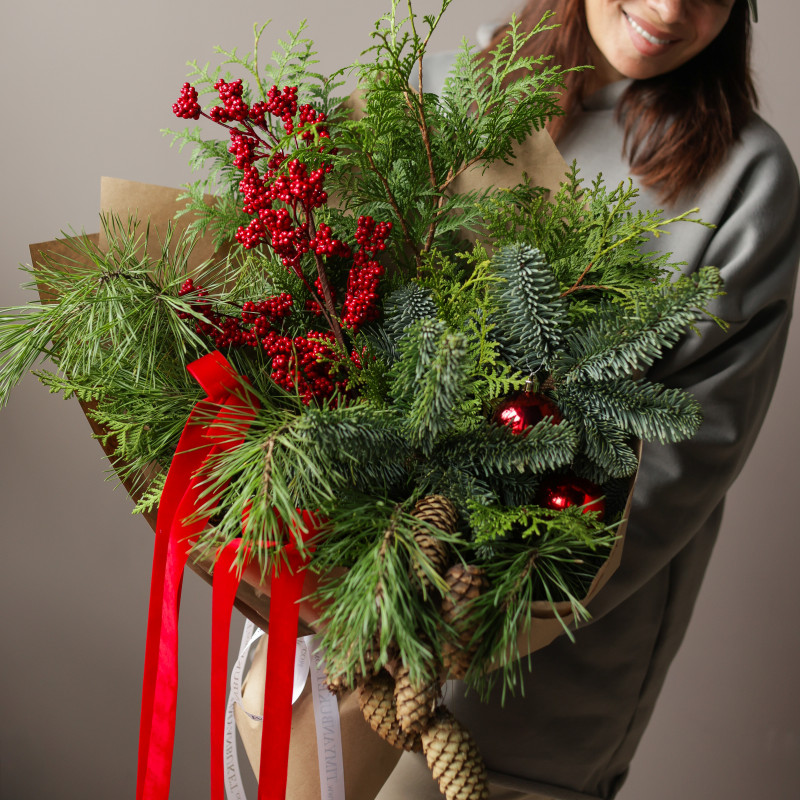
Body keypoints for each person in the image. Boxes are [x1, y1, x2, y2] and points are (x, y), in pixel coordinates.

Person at [376, 1, 800, 798]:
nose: (672, 9)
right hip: (338, 648)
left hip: (526, 713)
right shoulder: (451, 88)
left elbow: (675, 468)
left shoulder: (747, 179)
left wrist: (459, 608)